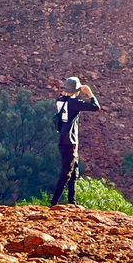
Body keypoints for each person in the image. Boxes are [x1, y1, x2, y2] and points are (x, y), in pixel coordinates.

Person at [51, 76, 101, 206]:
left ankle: (72, 202)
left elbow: (63, 96)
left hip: (63, 140)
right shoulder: (74, 103)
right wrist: (89, 92)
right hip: (70, 141)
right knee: (67, 173)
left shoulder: (59, 100)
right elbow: (96, 107)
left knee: (74, 172)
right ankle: (53, 203)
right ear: (77, 90)